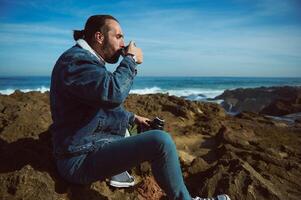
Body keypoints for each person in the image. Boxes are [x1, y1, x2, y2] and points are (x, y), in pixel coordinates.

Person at [50, 14, 230, 200]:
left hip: (87, 145)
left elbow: (96, 102)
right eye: (118, 37)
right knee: (160, 141)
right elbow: (112, 93)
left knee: (140, 130)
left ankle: (122, 173)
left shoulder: (87, 59)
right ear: (99, 37)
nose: (123, 43)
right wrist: (131, 59)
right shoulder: (76, 62)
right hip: (79, 160)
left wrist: (132, 118)